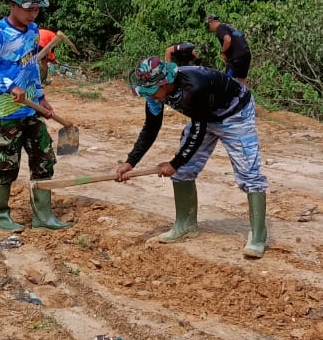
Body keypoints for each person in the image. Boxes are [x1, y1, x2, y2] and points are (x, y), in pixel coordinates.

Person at [115, 56, 269, 257]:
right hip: (204, 117)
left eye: (152, 91)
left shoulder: (195, 86)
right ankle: (186, 224)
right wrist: (131, 162)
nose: (150, 96)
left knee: (249, 173)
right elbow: (151, 128)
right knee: (183, 171)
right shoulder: (155, 95)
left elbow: (198, 129)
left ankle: (258, 235)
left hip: (235, 115)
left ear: (165, 82)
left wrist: (174, 163)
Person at [0, 0, 69, 232]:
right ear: (13, 5)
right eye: (28, 9)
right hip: (6, 111)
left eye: (36, 9)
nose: (32, 14)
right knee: (7, 164)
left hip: (30, 108)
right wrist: (7, 84)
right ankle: (1, 215)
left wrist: (40, 95)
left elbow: (31, 66)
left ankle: (43, 215)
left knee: (44, 158)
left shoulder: (33, 31)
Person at [205, 14, 251, 81]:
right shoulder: (229, 27)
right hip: (246, 55)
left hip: (236, 57)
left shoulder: (220, 28)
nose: (209, 28)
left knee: (227, 80)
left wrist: (223, 52)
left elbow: (228, 40)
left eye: (208, 26)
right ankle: (245, 91)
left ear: (211, 23)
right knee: (241, 80)